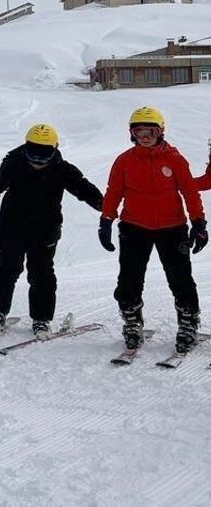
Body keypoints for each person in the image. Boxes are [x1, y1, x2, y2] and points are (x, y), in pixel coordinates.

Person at [0, 124, 103, 338]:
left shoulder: (62, 168)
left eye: (43, 157)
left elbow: (84, 189)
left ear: (54, 150)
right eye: (33, 155)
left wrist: (106, 208)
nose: (37, 162)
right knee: (7, 266)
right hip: (12, 223)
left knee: (41, 272)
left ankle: (41, 319)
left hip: (46, 228)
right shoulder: (14, 161)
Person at [99, 107, 206, 352]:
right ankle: (132, 322)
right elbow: (114, 192)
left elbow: (189, 191)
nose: (144, 136)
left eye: (150, 131)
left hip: (172, 228)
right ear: (132, 134)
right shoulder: (124, 160)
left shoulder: (175, 159)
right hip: (134, 227)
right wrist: (106, 219)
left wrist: (199, 223)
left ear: (160, 132)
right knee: (129, 280)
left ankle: (188, 323)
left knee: (180, 279)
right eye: (138, 132)